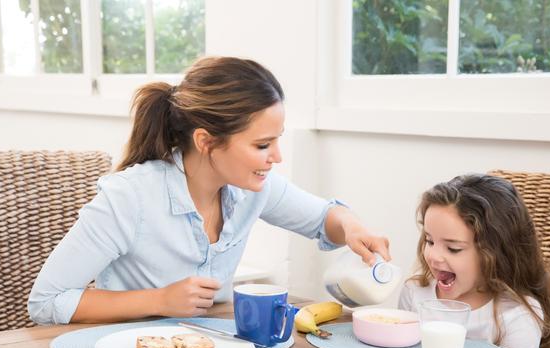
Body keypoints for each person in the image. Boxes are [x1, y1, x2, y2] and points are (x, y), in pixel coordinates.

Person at [28, 56, 390, 325]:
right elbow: (46, 302)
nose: (276, 157)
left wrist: (352, 226)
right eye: (262, 145)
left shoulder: (253, 188)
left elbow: (322, 217)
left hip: (211, 347)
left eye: (276, 141)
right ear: (206, 141)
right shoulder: (130, 198)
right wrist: (160, 300)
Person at [398, 174, 550, 348]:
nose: (433, 256)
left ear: (495, 254)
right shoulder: (415, 292)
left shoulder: (516, 317)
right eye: (429, 241)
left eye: (453, 249)